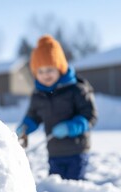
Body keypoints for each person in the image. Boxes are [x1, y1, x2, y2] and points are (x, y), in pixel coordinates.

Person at [16, 35, 97, 180]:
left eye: (49, 69)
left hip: (76, 151)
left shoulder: (76, 89)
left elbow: (90, 116)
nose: (45, 75)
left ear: (60, 68)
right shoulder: (38, 95)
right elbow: (33, 116)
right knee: (57, 186)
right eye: (40, 71)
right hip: (54, 152)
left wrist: (71, 127)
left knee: (74, 187)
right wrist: (24, 128)